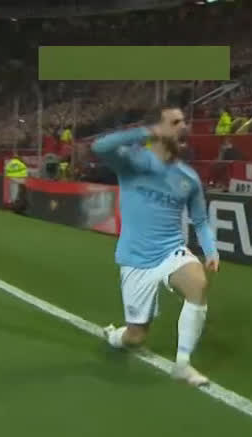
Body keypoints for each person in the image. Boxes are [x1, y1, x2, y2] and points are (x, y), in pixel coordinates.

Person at [91, 104, 219, 387]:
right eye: (175, 122)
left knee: (197, 283)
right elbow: (99, 147)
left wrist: (210, 250)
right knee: (135, 337)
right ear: (158, 129)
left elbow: (200, 221)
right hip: (136, 258)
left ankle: (183, 364)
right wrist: (144, 132)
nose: (184, 126)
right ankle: (115, 336)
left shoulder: (188, 178)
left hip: (170, 251)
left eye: (184, 121)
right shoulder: (133, 162)